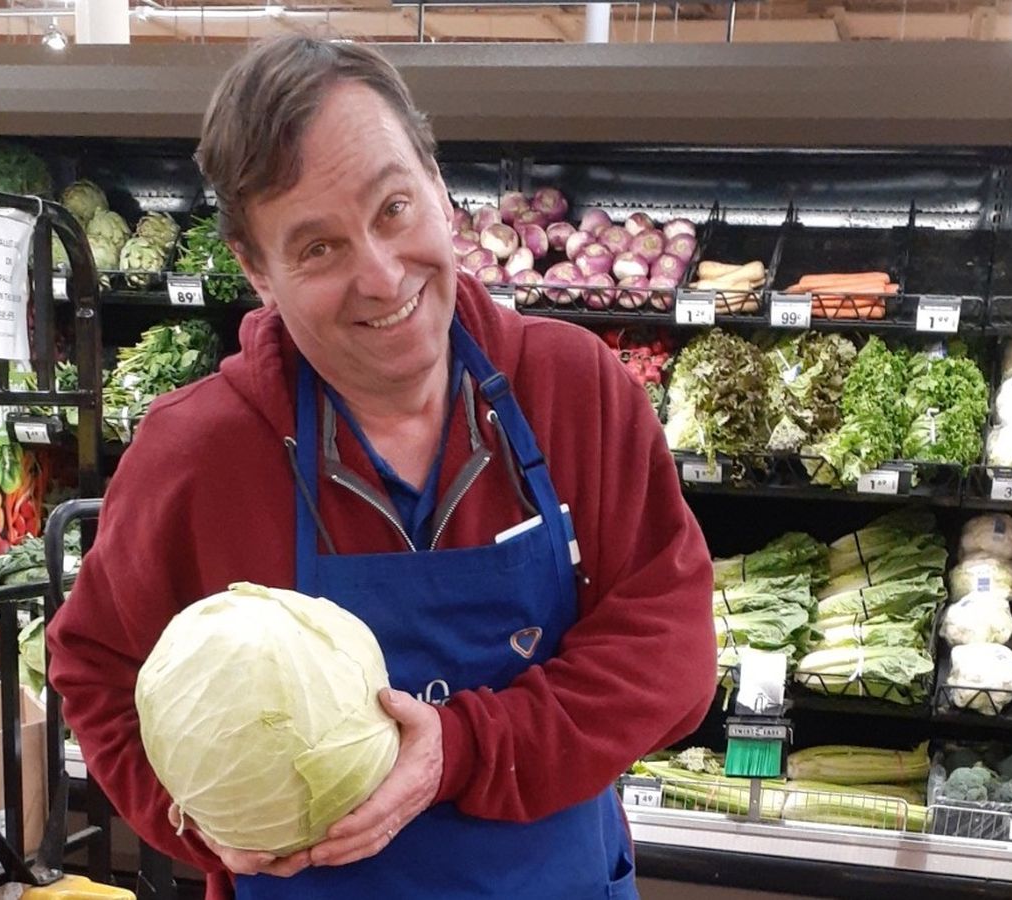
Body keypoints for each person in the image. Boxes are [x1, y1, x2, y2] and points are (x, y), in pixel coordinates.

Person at [47, 35, 716, 900]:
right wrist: (203, 817)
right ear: (256, 270)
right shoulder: (197, 453)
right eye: (317, 248)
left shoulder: (572, 387)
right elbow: (95, 667)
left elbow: (670, 647)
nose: (381, 274)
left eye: (393, 208)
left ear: (439, 188)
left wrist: (464, 748)